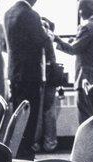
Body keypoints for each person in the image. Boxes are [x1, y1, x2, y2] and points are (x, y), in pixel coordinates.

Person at [4, 0, 50, 160]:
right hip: (30, 73)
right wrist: (46, 31)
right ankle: (27, 154)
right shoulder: (31, 14)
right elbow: (41, 40)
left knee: (18, 114)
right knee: (30, 117)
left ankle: (18, 151)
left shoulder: (8, 13)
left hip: (14, 71)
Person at [54, 0, 93, 124]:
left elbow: (73, 49)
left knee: (86, 122)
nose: (79, 13)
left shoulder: (87, 27)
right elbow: (92, 48)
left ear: (85, 9)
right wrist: (76, 40)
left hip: (85, 81)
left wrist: (57, 40)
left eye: (80, 9)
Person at [36, 18, 60, 153]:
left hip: (41, 76)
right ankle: (50, 142)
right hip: (50, 76)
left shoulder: (40, 37)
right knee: (49, 111)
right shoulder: (50, 37)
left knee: (39, 111)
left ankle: (36, 143)